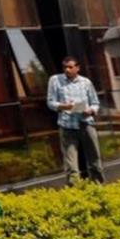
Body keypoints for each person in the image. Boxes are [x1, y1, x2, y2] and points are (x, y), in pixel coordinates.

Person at [47, 55, 105, 185]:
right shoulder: (55, 80)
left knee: (95, 159)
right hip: (67, 126)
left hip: (86, 123)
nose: (67, 70)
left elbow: (95, 103)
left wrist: (91, 110)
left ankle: (98, 186)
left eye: (70, 67)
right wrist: (63, 106)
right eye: (64, 67)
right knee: (71, 165)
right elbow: (50, 103)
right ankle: (75, 191)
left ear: (77, 68)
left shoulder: (86, 82)